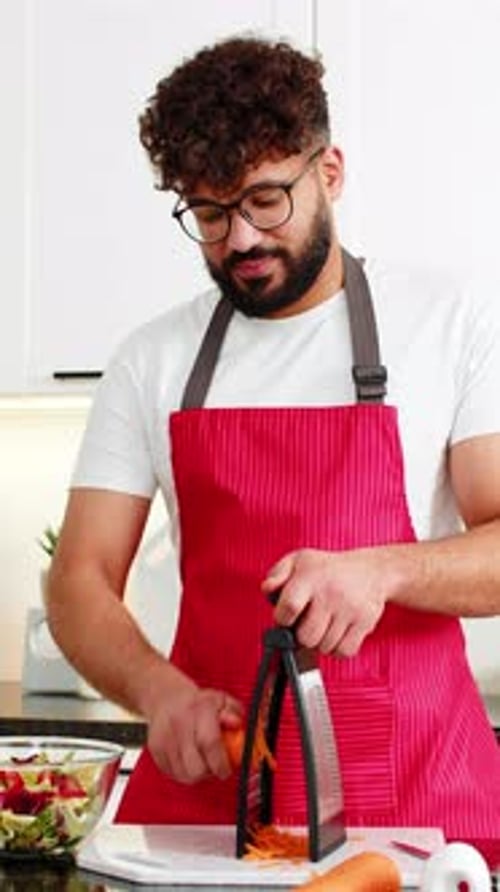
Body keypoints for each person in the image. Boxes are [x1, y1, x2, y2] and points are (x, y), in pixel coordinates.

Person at [47, 34, 500, 845]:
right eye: (211, 214)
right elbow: (78, 580)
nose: (242, 241)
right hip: (215, 797)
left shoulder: (448, 324)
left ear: (329, 173)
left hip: (417, 799)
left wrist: (385, 570)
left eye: (265, 200)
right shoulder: (154, 358)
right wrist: (158, 693)